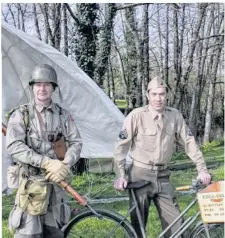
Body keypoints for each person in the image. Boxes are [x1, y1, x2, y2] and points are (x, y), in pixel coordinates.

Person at [113, 76, 211, 237]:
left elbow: (189, 143)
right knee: (137, 228)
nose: (158, 98)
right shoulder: (137, 115)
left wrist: (202, 169)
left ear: (166, 95)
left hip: (163, 176)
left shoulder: (175, 116)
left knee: (176, 226)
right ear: (147, 95)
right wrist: (121, 175)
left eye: (162, 94)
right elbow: (120, 147)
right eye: (154, 94)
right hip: (139, 175)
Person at [6, 64, 82, 238]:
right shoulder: (21, 114)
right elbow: (14, 146)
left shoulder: (64, 115)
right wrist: (46, 162)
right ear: (32, 87)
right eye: (38, 84)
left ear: (53, 88)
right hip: (31, 189)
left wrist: (65, 164)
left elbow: (76, 142)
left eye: (47, 84)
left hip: (56, 188)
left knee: (55, 233)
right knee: (29, 234)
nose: (42, 88)